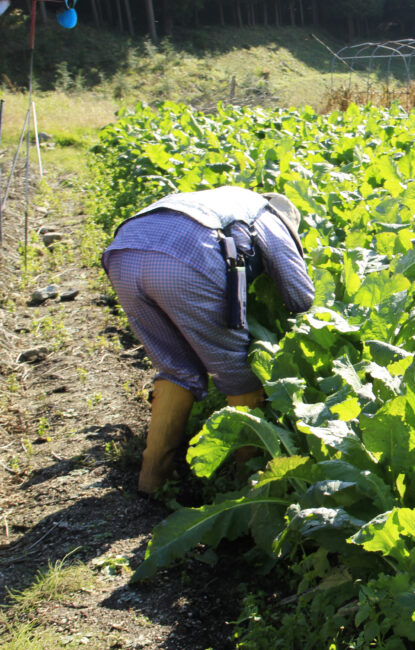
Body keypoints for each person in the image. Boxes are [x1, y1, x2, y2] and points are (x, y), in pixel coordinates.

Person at [102, 186, 315, 494]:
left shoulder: (229, 200)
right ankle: (248, 482)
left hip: (125, 254)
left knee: (177, 369)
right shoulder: (271, 220)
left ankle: (151, 480)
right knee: (239, 374)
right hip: (188, 260)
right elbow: (300, 297)